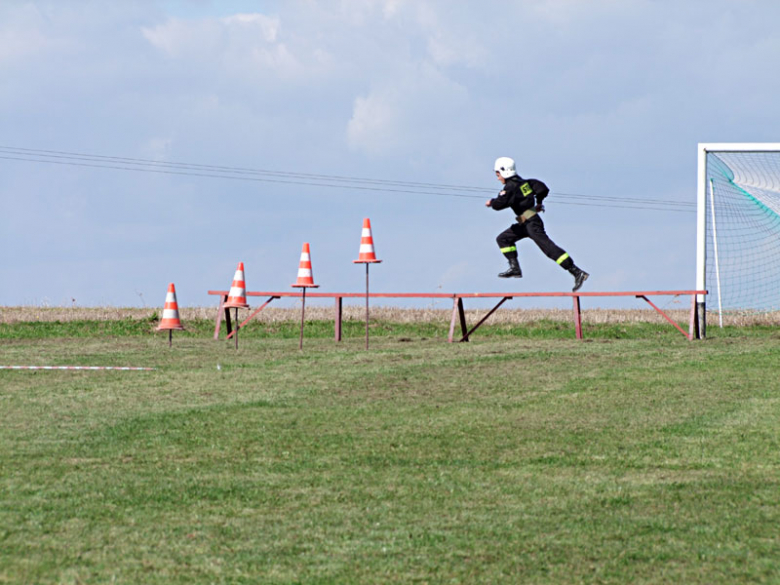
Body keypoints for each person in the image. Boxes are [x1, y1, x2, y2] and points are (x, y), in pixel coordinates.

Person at [486, 156, 589, 292]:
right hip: (526, 220)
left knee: (548, 248)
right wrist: (538, 203)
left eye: (497, 174)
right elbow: (542, 188)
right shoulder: (525, 182)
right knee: (503, 239)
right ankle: (515, 268)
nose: (497, 177)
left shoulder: (510, 187)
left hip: (531, 223)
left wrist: (492, 202)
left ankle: (576, 271)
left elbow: (500, 204)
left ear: (504, 171)